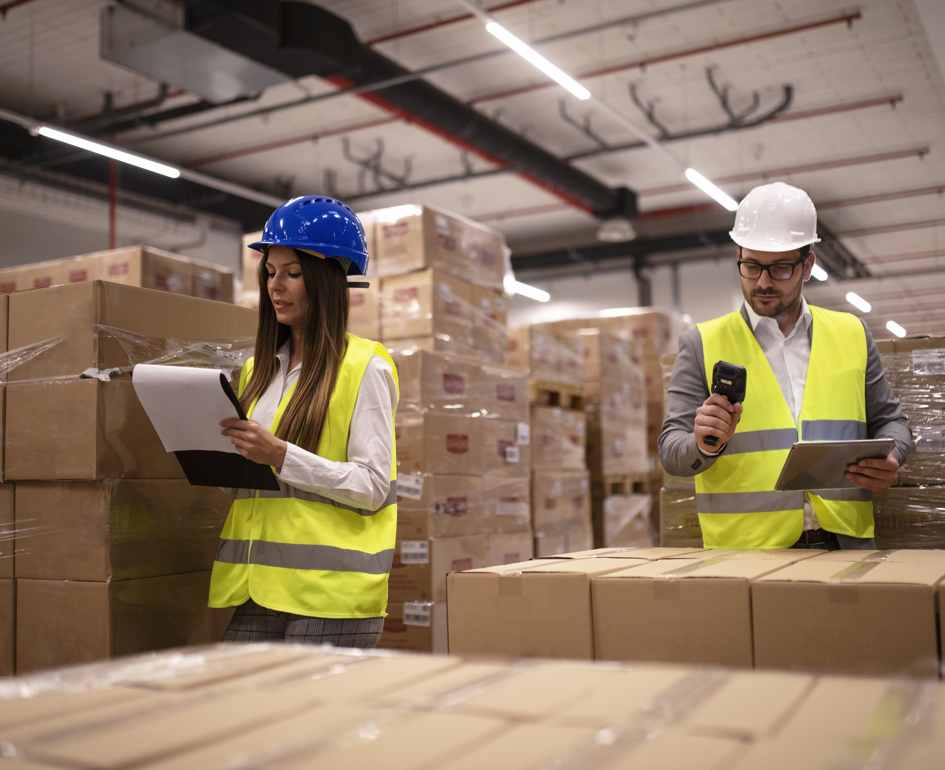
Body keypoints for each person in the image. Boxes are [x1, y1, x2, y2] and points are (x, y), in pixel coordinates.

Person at [659, 181, 910, 550]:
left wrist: (893, 458)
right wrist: (704, 445)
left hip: (844, 545)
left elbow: (892, 422)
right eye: (751, 266)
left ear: (807, 265)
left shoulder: (852, 333)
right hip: (746, 556)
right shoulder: (701, 343)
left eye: (779, 268)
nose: (762, 282)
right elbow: (671, 450)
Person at [208, 195, 399, 647]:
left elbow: (373, 486)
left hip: (332, 594)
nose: (277, 286)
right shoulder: (258, 370)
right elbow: (257, 483)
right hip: (258, 586)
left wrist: (279, 454)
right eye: (270, 273)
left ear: (328, 280)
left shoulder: (365, 366)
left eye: (293, 273)